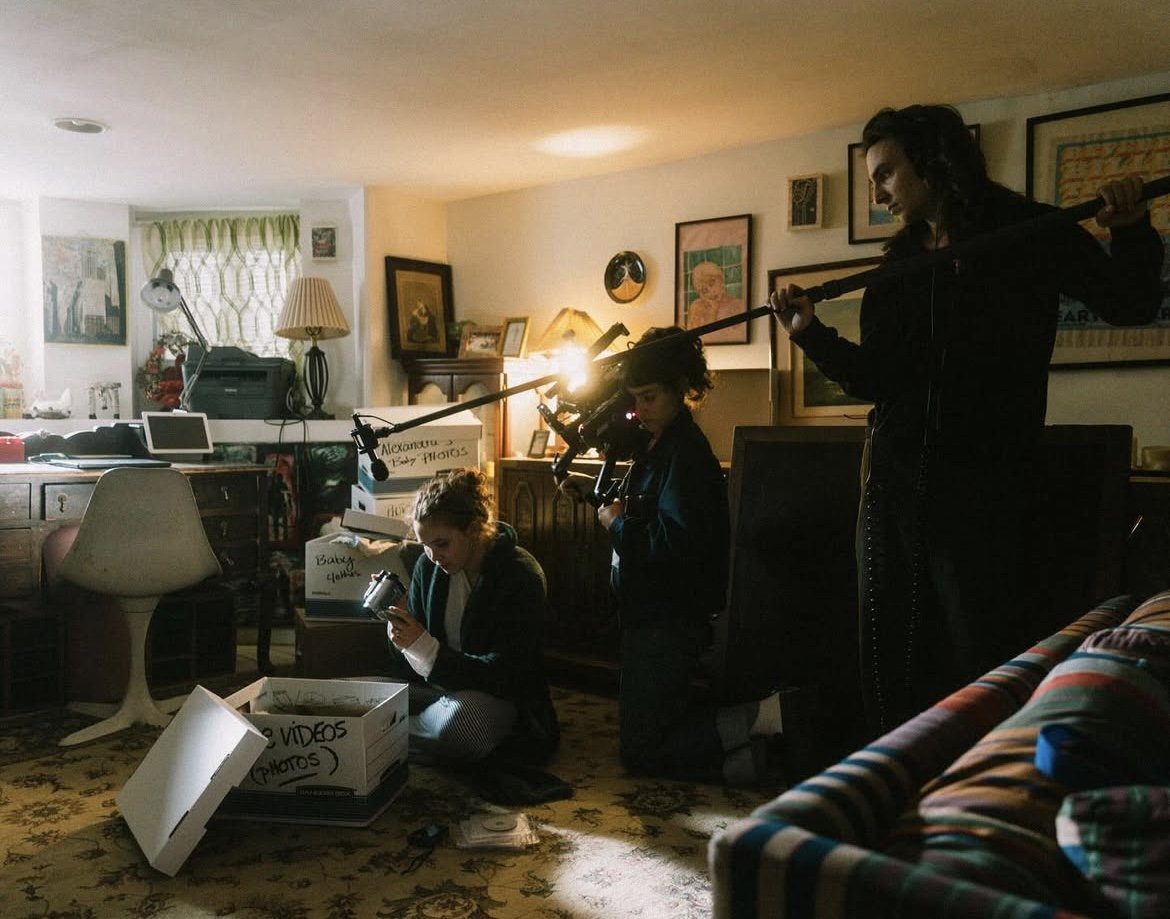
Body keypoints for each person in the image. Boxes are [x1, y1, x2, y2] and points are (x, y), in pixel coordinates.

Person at [771, 103, 1164, 736]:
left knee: (982, 651)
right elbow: (876, 381)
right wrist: (810, 334)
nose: (877, 191)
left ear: (935, 160)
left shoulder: (1028, 232)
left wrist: (1133, 228)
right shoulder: (898, 268)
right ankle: (896, 779)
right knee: (892, 651)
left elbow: (1132, 302)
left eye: (887, 172)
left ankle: (977, 792)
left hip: (987, 487)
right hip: (895, 489)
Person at [597, 327, 792, 786]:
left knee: (641, 751)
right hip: (649, 612)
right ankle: (749, 759)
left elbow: (672, 545)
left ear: (681, 388)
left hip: (668, 617)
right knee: (647, 737)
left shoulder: (684, 454)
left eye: (650, 397)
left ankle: (761, 717)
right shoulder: (657, 444)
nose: (640, 409)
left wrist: (615, 525)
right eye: (635, 398)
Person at [382, 468, 560, 765]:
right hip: (437, 693)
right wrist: (399, 627)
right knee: (353, 691)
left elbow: (507, 675)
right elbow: (407, 667)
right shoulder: (430, 567)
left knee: (464, 726)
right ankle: (404, 734)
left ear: (475, 529)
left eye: (442, 544)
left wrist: (426, 649)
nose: (433, 555)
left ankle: (380, 737)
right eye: (425, 545)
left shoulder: (520, 575)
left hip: (494, 700)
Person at [686, 261, 745, 343]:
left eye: (711, 283)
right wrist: (713, 312)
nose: (710, 290)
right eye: (703, 289)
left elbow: (736, 335)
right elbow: (693, 339)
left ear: (721, 281)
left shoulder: (738, 304)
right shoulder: (696, 307)